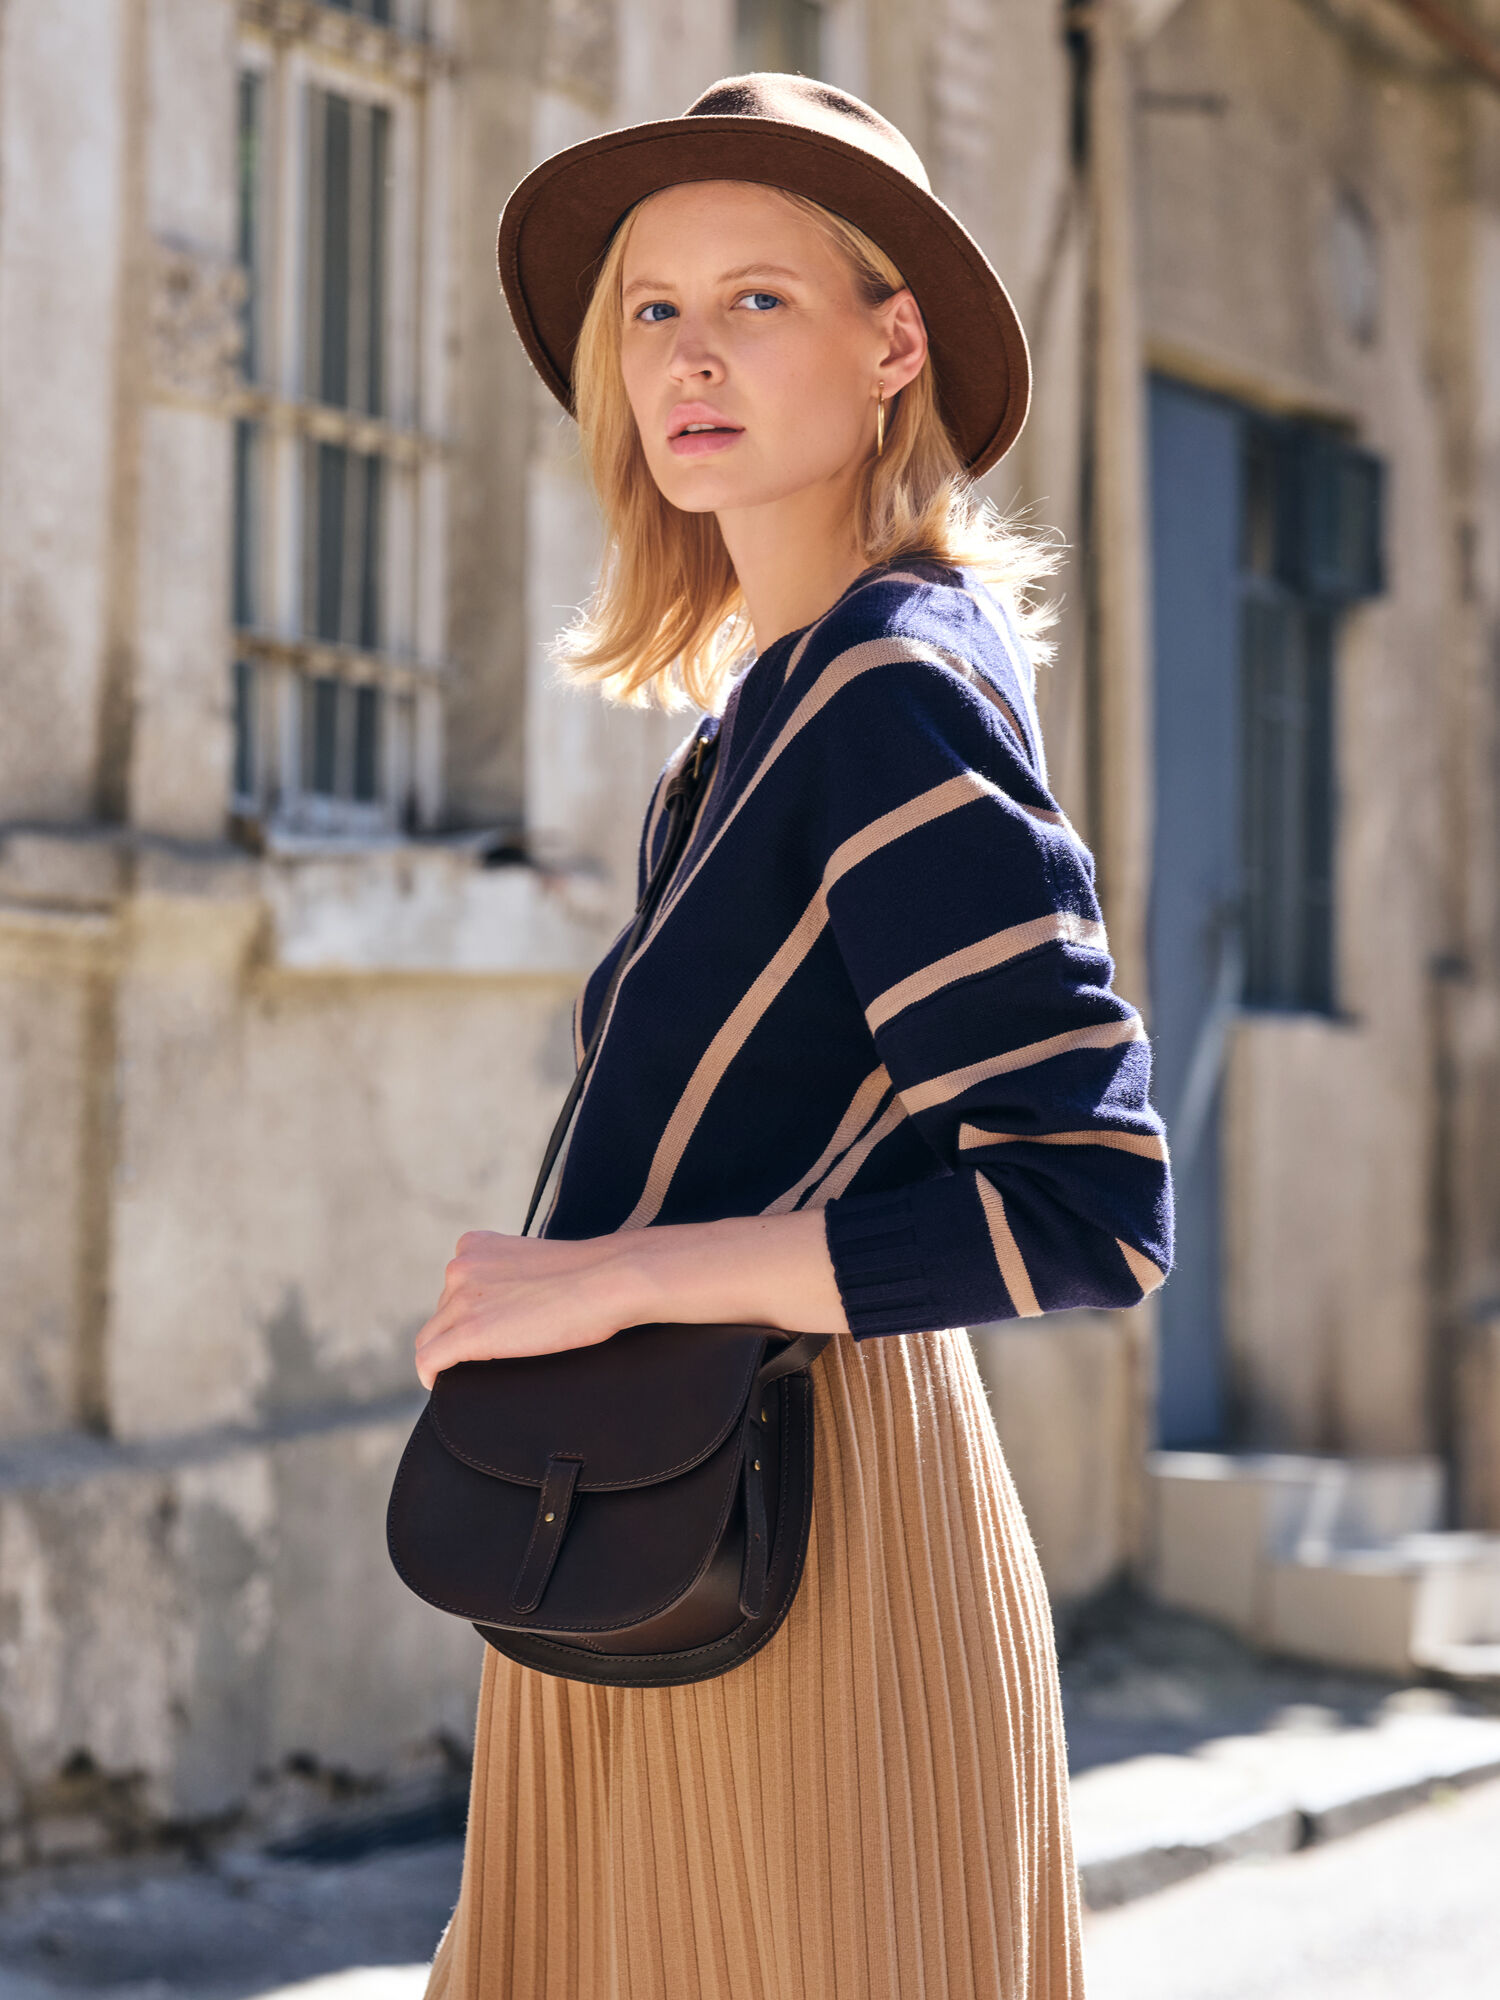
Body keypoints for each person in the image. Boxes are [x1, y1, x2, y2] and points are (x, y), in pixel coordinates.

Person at [414, 73, 1172, 2000]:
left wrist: (610, 1282)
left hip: (797, 1555)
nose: (688, 353)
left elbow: (1086, 1199)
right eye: (651, 308)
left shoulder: (889, 702)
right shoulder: (774, 708)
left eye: (758, 298)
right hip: (666, 1538)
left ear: (890, 339)